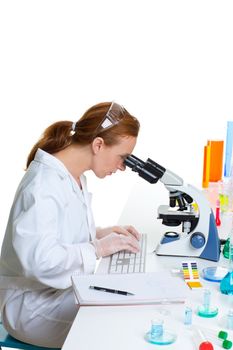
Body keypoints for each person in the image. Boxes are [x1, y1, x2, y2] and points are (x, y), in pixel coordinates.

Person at [0, 101, 141, 348]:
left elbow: (57, 234)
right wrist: (97, 248)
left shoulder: (73, 175)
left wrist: (100, 235)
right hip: (30, 309)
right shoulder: (43, 186)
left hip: (54, 294)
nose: (122, 167)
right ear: (98, 144)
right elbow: (39, 260)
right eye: (122, 158)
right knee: (117, 328)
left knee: (126, 307)